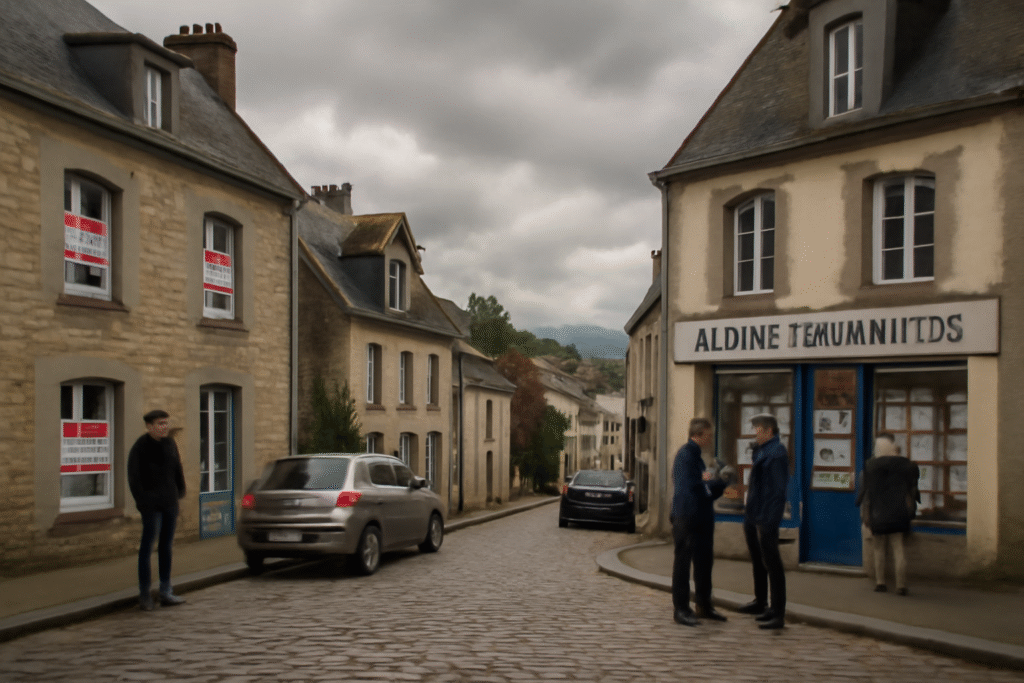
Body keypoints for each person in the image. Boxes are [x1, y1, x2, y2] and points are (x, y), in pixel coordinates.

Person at [670, 417, 730, 627]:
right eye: (709, 435)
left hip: (701, 515)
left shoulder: (697, 457)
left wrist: (718, 483)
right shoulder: (686, 455)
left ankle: (704, 604)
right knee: (683, 563)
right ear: (699, 434)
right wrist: (718, 483)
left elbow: (704, 488)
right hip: (687, 516)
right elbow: (694, 488)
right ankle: (681, 608)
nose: (710, 439)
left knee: (704, 562)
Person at [128, 409, 187, 611]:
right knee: (147, 548)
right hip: (151, 507)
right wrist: (143, 502)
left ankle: (165, 591)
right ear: (149, 426)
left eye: (166, 423)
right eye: (160, 424)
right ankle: (145, 594)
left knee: (166, 547)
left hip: (169, 503)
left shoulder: (170, 444)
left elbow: (177, 469)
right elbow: (134, 478)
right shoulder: (140, 447)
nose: (164, 427)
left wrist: (180, 492)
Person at [734, 413, 790, 630]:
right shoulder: (762, 450)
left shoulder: (776, 453)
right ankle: (760, 601)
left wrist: (768, 520)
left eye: (757, 430)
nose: (754, 434)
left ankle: (778, 611)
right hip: (753, 513)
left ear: (768, 431)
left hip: (766, 516)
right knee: (758, 560)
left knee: (772, 563)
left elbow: (777, 491)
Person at [856, 433, 920, 595]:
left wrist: (865, 514)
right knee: (898, 549)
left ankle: (880, 583)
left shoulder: (871, 466)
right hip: (899, 511)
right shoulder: (907, 465)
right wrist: (912, 511)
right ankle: (901, 586)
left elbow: (865, 492)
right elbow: (912, 491)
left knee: (878, 548)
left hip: (878, 512)